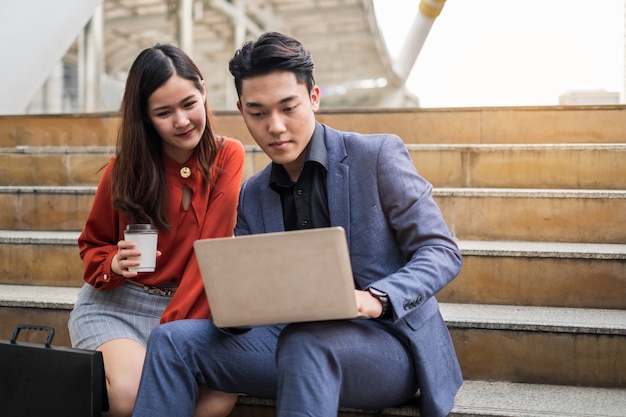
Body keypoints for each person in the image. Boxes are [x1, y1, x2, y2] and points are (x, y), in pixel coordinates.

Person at [131, 32, 463, 417]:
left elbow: (441, 251)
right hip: (288, 341)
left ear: (314, 98)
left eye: (288, 108)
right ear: (241, 110)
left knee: (307, 342)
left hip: (388, 346)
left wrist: (377, 298)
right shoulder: (252, 195)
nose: (275, 126)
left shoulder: (376, 156)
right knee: (171, 341)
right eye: (257, 113)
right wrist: (236, 305)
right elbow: (249, 303)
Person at [68, 43, 244, 417]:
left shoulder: (227, 156)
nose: (181, 121)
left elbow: (208, 250)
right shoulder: (124, 171)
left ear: (204, 90)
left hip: (192, 306)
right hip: (119, 306)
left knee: (217, 400)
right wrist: (112, 263)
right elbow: (91, 246)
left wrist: (171, 337)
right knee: (130, 396)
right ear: (145, 118)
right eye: (164, 113)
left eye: (188, 104)